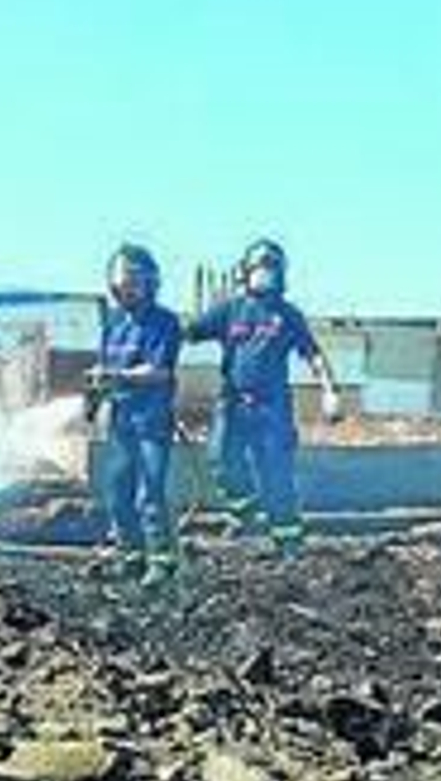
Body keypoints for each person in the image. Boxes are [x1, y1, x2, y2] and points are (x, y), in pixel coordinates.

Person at [185, 239, 340, 555]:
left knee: (276, 474)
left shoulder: (288, 315)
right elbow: (188, 332)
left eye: (271, 268)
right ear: (246, 271)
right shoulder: (230, 309)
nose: (265, 274)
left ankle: (289, 541)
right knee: (219, 457)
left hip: (273, 406)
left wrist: (329, 391)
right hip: (232, 402)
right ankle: (244, 507)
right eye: (259, 267)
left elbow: (313, 354)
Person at [88, 243, 183, 586]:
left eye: (131, 283)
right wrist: (96, 393)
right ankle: (131, 557)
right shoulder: (114, 323)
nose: (124, 290)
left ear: (149, 283)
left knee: (150, 492)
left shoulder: (164, 322)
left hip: (151, 423)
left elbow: (160, 371)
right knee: (117, 492)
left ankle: (162, 561)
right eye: (119, 284)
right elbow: (106, 368)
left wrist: (118, 377)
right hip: (121, 422)